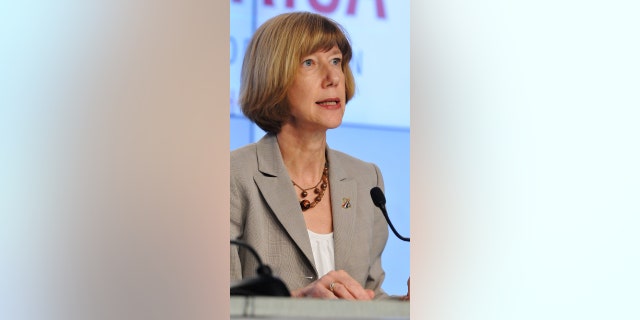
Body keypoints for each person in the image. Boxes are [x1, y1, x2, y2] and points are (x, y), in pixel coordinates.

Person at [230, 11, 407, 300]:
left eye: (336, 61)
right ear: (274, 75)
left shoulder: (366, 180)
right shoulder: (232, 175)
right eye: (310, 62)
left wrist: (405, 305)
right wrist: (299, 300)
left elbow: (369, 295)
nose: (333, 77)